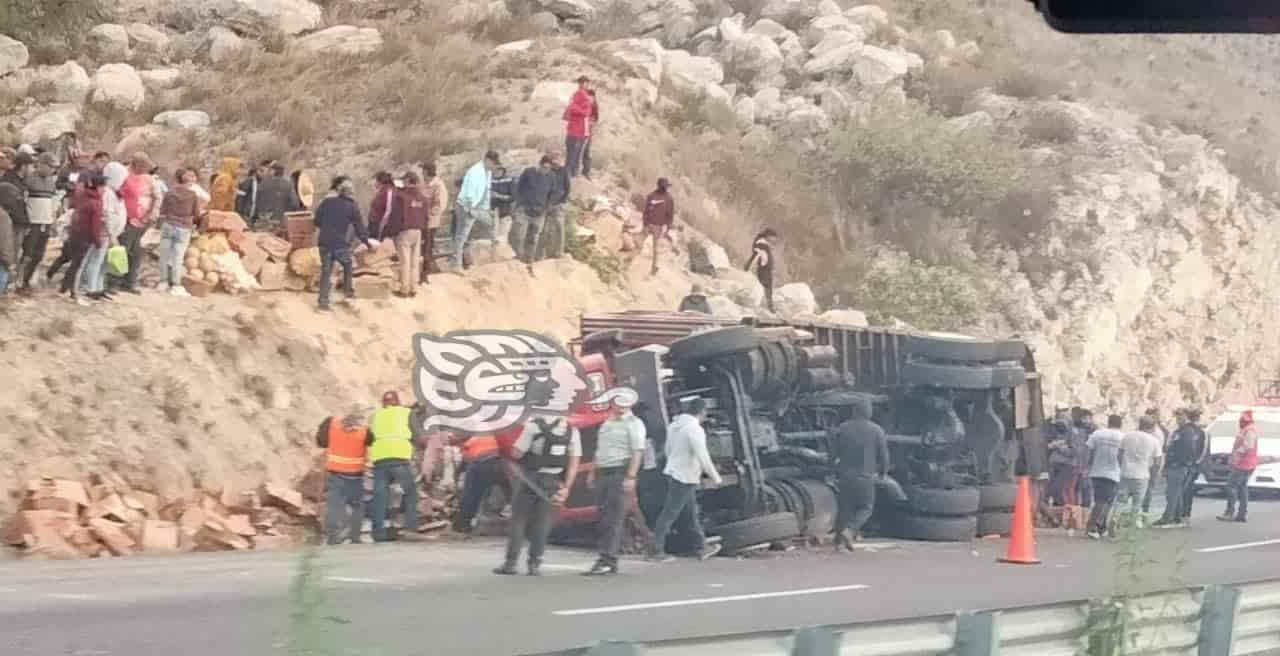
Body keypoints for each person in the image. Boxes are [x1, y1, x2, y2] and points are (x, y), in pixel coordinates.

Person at [495, 413, 582, 576]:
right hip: (553, 480)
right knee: (543, 522)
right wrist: (567, 487)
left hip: (530, 478)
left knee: (519, 520)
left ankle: (511, 563)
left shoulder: (534, 426)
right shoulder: (571, 431)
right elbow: (574, 461)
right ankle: (534, 564)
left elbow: (517, 453)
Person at [649, 398, 723, 561]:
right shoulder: (694, 429)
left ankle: (700, 547)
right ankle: (655, 551)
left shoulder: (674, 426)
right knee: (669, 514)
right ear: (702, 412)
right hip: (685, 476)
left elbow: (667, 450)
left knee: (690, 513)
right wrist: (716, 477)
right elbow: (703, 456)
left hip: (675, 473)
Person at [584, 394, 647, 576]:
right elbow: (600, 450)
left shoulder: (634, 424)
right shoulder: (607, 423)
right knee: (603, 517)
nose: (620, 406)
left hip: (619, 472)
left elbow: (637, 451)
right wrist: (592, 472)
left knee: (613, 517)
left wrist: (631, 476)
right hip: (603, 472)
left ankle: (608, 558)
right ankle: (607, 559)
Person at [829, 398, 890, 550]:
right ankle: (849, 532)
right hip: (865, 477)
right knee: (866, 508)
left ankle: (839, 543)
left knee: (844, 510)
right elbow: (884, 456)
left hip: (845, 476)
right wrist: (883, 472)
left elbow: (832, 454)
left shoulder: (842, 428)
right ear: (869, 413)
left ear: (854, 411)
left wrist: (831, 471)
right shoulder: (877, 430)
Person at [313, 176, 372, 311]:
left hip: (324, 242)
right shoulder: (352, 207)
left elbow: (316, 221)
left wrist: (328, 226)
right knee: (348, 265)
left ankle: (323, 302)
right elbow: (359, 228)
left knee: (326, 271)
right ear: (351, 193)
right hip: (340, 244)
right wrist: (367, 244)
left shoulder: (327, 202)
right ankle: (348, 293)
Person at [368, 391, 421, 542]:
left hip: (380, 460)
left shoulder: (376, 416)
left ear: (383, 402)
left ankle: (378, 533)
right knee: (410, 492)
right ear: (398, 401)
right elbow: (417, 436)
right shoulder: (406, 413)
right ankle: (410, 528)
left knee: (380, 497)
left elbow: (370, 438)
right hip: (399, 459)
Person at [315, 410, 373, 545]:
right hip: (355, 476)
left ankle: (333, 538)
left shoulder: (332, 424)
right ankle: (355, 537)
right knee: (357, 507)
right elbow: (371, 441)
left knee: (334, 506)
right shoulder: (364, 431)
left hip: (336, 475)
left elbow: (321, 441)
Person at [115, 152, 162, 294]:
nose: (147, 168)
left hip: (143, 221)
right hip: (126, 220)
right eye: (144, 165)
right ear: (136, 164)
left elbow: (158, 197)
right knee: (122, 251)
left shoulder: (149, 179)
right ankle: (114, 280)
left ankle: (130, 282)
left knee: (136, 253)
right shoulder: (123, 174)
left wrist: (152, 214)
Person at [81, 161, 128, 302]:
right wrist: (111, 234)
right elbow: (106, 215)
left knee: (103, 263)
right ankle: (90, 288)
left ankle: (99, 287)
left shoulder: (114, 192)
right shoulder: (107, 193)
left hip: (110, 234)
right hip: (105, 234)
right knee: (96, 260)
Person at [451, 433, 512, 534]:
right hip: (500, 464)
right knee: (508, 492)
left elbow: (465, 460)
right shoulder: (491, 436)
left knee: (471, 496)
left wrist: (457, 475)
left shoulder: (470, 442)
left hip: (481, 464)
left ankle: (461, 525)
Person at [157, 168, 203, 296]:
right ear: (187, 179)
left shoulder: (169, 193)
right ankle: (176, 285)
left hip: (168, 225)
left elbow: (163, 210)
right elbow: (196, 214)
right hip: (183, 228)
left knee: (164, 255)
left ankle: (163, 282)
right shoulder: (192, 195)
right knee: (178, 257)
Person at [17, 153, 60, 293]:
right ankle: (18, 281)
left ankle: (26, 280)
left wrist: (52, 221)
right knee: (27, 254)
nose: (52, 170)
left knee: (39, 254)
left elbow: (53, 202)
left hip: (45, 223)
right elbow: (22, 201)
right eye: (50, 166)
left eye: (53, 167)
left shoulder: (51, 182)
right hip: (32, 222)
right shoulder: (28, 180)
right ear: (41, 164)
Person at [60, 173, 105, 304]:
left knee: (74, 263)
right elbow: (95, 225)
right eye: (103, 187)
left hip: (75, 233)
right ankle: (73, 292)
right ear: (98, 187)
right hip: (84, 236)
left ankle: (64, 287)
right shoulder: (95, 202)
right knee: (77, 265)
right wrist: (98, 241)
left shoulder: (82, 195)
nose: (105, 190)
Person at [453, 151, 499, 272]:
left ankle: (495, 243)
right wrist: (470, 208)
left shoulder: (488, 172)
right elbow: (470, 192)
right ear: (487, 160)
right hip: (466, 206)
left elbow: (486, 191)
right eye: (493, 164)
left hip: (478, 206)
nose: (494, 167)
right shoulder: (475, 171)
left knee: (489, 223)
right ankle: (456, 264)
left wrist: (486, 209)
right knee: (461, 236)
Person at [1116, 416, 1162, 527]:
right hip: (1142, 475)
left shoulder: (1127, 436)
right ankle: (1133, 523)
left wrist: (1122, 466)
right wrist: (1154, 474)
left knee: (1121, 500)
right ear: (1151, 427)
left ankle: (1116, 519)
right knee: (1137, 502)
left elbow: (1119, 454)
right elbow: (1157, 461)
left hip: (1125, 473)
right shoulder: (1154, 441)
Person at [1154, 409, 1197, 527]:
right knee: (1174, 493)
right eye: (1177, 416)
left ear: (1186, 417)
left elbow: (1189, 450)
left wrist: (1182, 462)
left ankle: (1168, 517)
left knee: (1172, 493)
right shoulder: (1179, 431)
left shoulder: (1187, 432)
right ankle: (1177, 517)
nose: (1178, 419)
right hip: (1172, 465)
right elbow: (1170, 447)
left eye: (1180, 416)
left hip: (1178, 466)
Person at [1085, 414, 1125, 539]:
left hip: (1097, 471)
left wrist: (1088, 465)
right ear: (1120, 424)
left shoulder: (1098, 434)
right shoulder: (1123, 437)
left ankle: (1101, 526)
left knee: (1100, 500)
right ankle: (1092, 527)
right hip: (1114, 473)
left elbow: (1089, 450)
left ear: (1108, 422)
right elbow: (1123, 456)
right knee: (1107, 501)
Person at [512, 156, 555, 272]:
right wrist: (520, 203)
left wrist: (547, 208)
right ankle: (518, 259)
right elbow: (518, 187)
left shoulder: (551, 176)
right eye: (544, 167)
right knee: (519, 236)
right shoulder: (529, 172)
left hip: (540, 213)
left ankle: (529, 262)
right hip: (525, 210)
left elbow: (553, 193)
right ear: (539, 165)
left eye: (548, 168)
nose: (546, 170)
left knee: (533, 238)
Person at [1220, 409, 1259, 523]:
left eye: (1242, 420)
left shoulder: (1249, 431)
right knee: (1242, 488)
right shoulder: (1247, 430)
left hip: (1243, 464)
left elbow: (1248, 446)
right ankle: (1242, 514)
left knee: (1231, 486)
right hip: (1246, 463)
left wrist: (1236, 455)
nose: (1240, 422)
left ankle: (1230, 512)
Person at [395, 172, 430, 297]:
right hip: (418, 231)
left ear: (408, 180)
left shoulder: (402, 197)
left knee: (405, 261)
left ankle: (404, 289)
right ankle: (414, 288)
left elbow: (397, 215)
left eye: (404, 180)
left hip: (405, 231)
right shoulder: (423, 198)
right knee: (415, 261)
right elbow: (426, 217)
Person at [640, 178, 675, 276]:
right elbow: (646, 211)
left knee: (655, 248)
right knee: (640, 243)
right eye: (665, 186)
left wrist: (668, 228)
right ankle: (632, 260)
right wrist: (645, 224)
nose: (666, 188)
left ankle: (654, 267)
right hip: (649, 224)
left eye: (666, 186)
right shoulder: (651, 196)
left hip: (658, 227)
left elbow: (670, 215)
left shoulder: (669, 199)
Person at [419, 162, 447, 283]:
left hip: (431, 222)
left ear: (426, 172)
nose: (422, 174)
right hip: (421, 220)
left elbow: (439, 205)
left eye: (423, 171)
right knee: (422, 246)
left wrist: (428, 212)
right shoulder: (424, 184)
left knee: (428, 247)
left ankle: (425, 273)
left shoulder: (438, 186)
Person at [563, 75, 596, 179]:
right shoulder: (576, 95)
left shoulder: (586, 97)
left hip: (580, 131)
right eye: (581, 82)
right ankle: (569, 176)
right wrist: (574, 108)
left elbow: (586, 112)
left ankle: (572, 176)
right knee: (572, 154)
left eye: (585, 82)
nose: (582, 84)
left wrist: (574, 108)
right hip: (574, 130)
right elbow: (568, 112)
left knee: (575, 155)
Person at [542, 150, 571, 260]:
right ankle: (543, 253)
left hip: (558, 204)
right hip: (546, 204)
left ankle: (559, 252)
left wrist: (563, 201)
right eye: (553, 159)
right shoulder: (547, 171)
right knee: (544, 229)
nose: (555, 162)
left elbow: (567, 187)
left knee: (559, 228)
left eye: (557, 159)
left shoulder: (564, 171)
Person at [1141, 407, 1168, 514]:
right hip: (1144, 462)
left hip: (1152, 463)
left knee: (1148, 488)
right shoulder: (1150, 430)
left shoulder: (1159, 431)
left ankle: (1144, 511)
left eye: (1152, 416)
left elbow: (1162, 449)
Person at [744, 228, 778, 313]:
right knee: (765, 289)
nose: (774, 240)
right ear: (769, 236)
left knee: (768, 290)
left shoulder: (765, 244)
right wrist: (748, 267)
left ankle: (769, 308)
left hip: (767, 270)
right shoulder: (760, 244)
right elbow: (755, 256)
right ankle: (767, 308)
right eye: (774, 237)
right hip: (763, 270)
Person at [369, 171, 401, 242]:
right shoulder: (382, 191)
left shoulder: (389, 190)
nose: (373, 183)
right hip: (376, 224)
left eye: (375, 180)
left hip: (381, 225)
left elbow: (388, 209)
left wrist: (382, 226)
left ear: (379, 181)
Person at [236, 160, 270, 225]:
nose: (263, 174)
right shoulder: (247, 182)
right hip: (246, 215)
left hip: (256, 217)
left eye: (265, 172)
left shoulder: (265, 183)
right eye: (261, 171)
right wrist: (240, 214)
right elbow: (239, 199)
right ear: (257, 171)